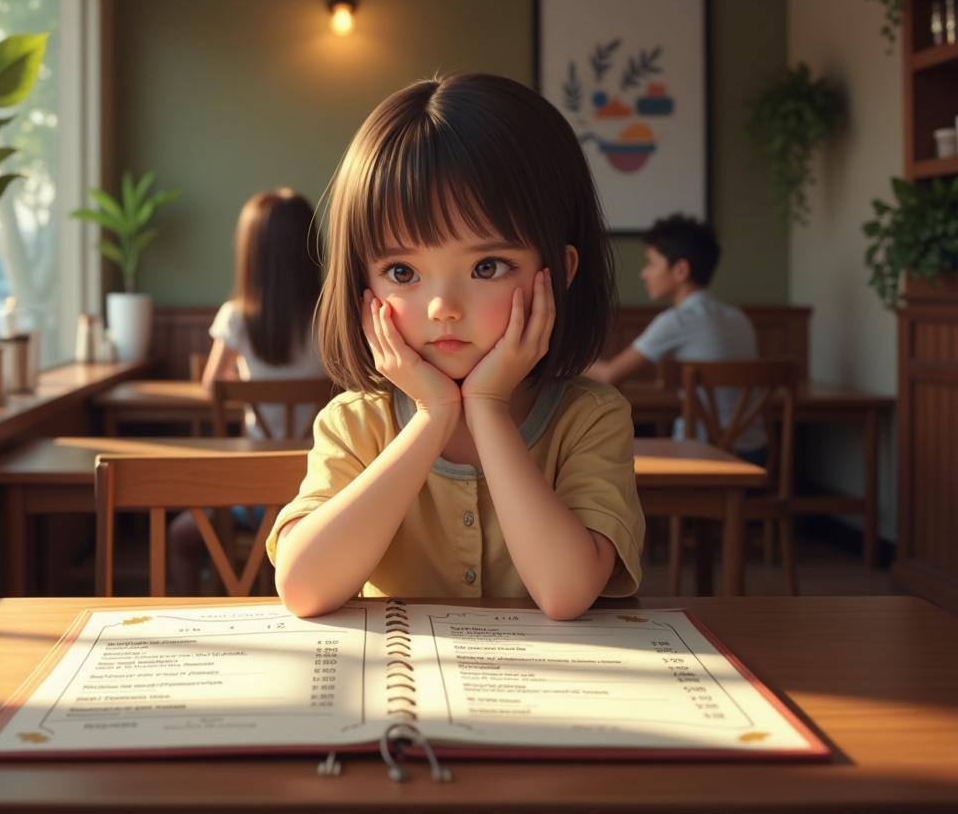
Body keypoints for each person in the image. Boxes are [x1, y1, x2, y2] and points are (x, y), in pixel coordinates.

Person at [265, 73, 644, 620]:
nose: (443, 307)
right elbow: (302, 589)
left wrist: (486, 409)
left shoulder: (589, 418)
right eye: (402, 270)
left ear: (558, 274)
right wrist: (434, 415)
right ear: (361, 285)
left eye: (486, 267)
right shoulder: (357, 423)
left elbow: (565, 593)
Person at [167, 188, 325, 595]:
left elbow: (211, 389)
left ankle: (191, 613)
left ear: (251, 253)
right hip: (317, 486)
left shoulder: (237, 317)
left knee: (181, 537)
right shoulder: (330, 316)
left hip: (252, 493)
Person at [585, 214, 766, 464]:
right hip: (755, 455)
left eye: (651, 263)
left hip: (704, 458)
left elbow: (609, 375)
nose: (644, 274)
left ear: (680, 270)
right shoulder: (739, 318)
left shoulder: (678, 320)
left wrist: (558, 359)